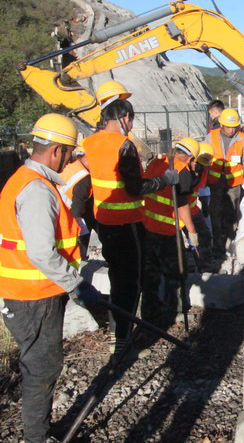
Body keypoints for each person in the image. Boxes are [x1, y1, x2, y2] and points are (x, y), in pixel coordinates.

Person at [0, 114, 102, 443]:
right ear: (57, 151)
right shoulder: (36, 190)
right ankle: (37, 438)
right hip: (33, 295)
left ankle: (38, 433)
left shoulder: (24, 179)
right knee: (42, 366)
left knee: (42, 363)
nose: (71, 159)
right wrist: (77, 285)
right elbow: (42, 253)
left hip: (29, 292)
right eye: (70, 153)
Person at [83, 84, 179, 356]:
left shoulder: (89, 143)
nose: (132, 125)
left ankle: (118, 333)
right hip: (128, 223)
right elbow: (135, 187)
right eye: (132, 119)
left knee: (117, 276)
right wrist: (164, 180)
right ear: (124, 117)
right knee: (129, 280)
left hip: (104, 221)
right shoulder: (123, 146)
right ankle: (123, 340)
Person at [141, 137, 199, 328]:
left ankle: (148, 312)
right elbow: (181, 205)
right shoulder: (182, 172)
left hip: (148, 226)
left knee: (151, 273)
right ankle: (173, 311)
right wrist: (191, 231)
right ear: (190, 157)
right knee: (176, 272)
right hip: (167, 230)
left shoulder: (157, 163)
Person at [205, 108, 244, 261]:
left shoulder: (241, 138)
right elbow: (203, 160)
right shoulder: (211, 137)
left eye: (234, 126)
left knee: (232, 215)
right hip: (215, 183)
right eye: (229, 126)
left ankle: (231, 243)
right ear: (221, 125)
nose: (232, 130)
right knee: (216, 215)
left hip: (234, 184)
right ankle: (218, 247)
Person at [57, 139, 95, 256]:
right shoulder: (83, 176)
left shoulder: (71, 166)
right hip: (66, 219)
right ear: (88, 157)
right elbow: (77, 208)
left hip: (57, 214)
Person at [189, 141, 214, 272]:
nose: (198, 167)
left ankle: (205, 268)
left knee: (204, 236)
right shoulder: (183, 171)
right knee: (192, 239)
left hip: (192, 210)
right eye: (197, 163)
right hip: (177, 212)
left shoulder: (204, 168)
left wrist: (204, 202)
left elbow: (203, 185)